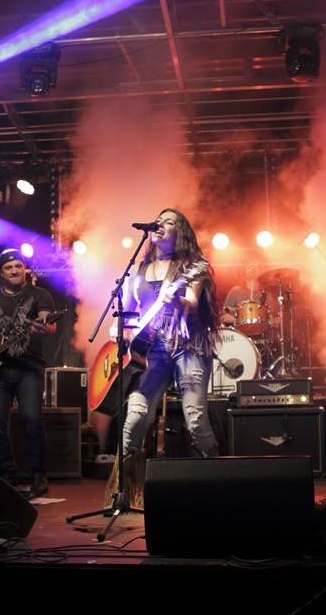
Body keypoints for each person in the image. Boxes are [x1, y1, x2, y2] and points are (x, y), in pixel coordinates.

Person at [115, 208, 220, 501]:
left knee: (195, 419)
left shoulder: (191, 265)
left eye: (169, 222)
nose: (160, 225)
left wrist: (176, 299)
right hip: (153, 351)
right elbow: (130, 312)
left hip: (188, 346)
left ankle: (218, 483)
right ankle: (125, 492)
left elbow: (192, 301)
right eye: (159, 221)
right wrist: (121, 332)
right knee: (135, 415)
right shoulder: (140, 269)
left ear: (180, 232)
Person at [0, 248, 58, 499]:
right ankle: (7, 475)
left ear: (25, 269)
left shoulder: (40, 295)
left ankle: (39, 476)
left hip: (29, 368)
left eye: (18, 266)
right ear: (1, 272)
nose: (14, 270)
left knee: (32, 419)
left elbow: (48, 323)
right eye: (9, 267)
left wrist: (44, 326)